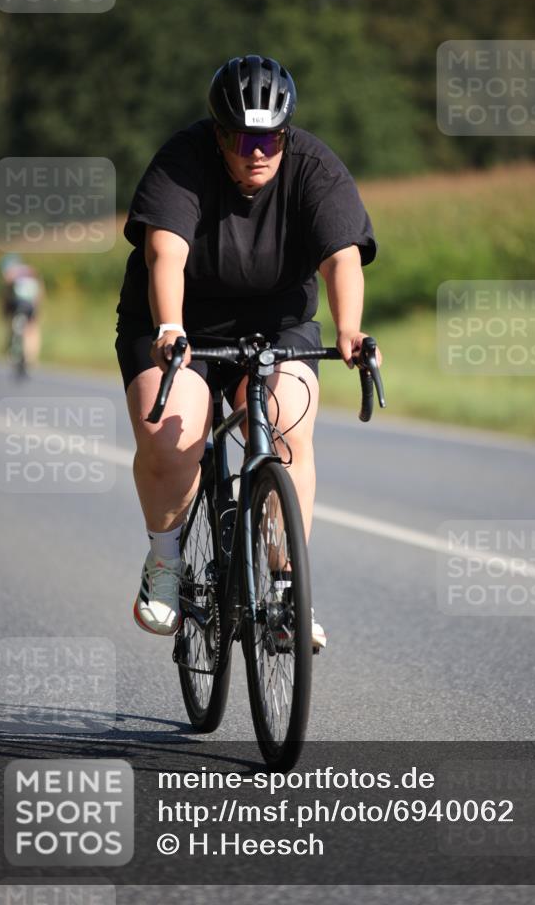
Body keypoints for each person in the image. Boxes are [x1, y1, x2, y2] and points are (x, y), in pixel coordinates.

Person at [116, 54, 379, 648]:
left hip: (276, 324)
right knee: (173, 437)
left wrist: (350, 330)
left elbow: (342, 257)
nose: (257, 152)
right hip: (178, 322)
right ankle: (165, 562)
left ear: (286, 133)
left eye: (270, 139)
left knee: (287, 430)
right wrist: (168, 326)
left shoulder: (314, 167)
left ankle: (287, 594)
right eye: (242, 139)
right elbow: (165, 252)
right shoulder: (183, 160)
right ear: (218, 135)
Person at [0, 254, 43, 373]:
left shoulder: (11, 272)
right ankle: (32, 358)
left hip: (18, 305)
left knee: (14, 326)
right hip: (31, 305)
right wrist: (37, 305)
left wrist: (4, 309)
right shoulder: (30, 270)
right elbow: (39, 289)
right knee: (32, 330)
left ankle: (13, 352)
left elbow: (6, 291)